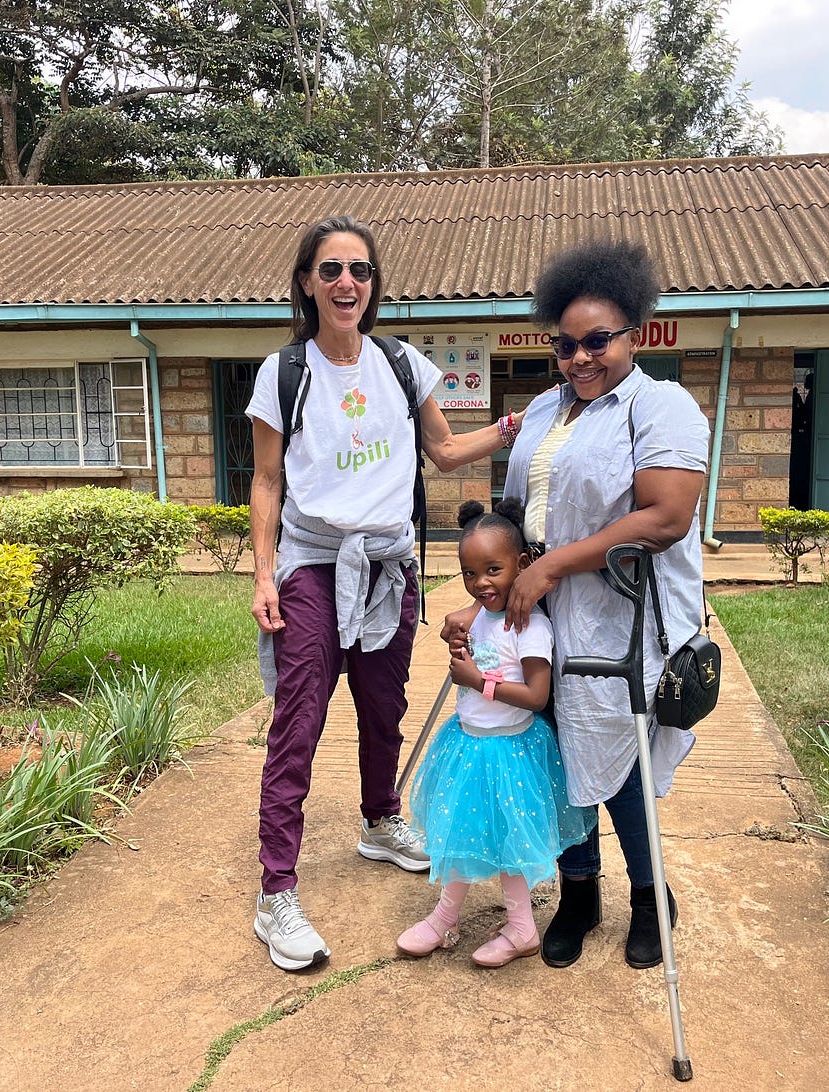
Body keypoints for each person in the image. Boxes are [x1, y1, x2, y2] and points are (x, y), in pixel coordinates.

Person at [245, 214, 529, 972]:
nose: (347, 283)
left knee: (384, 708)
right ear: (308, 281)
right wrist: (263, 572)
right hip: (312, 564)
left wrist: (509, 427)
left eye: (361, 271)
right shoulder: (284, 372)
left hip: (388, 567)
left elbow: (441, 450)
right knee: (298, 721)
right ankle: (277, 893)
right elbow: (267, 480)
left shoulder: (402, 366)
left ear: (374, 285)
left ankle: (379, 819)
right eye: (332, 269)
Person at [444, 238, 709, 970]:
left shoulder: (663, 408)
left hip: (624, 622)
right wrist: (487, 597)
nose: (581, 358)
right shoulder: (542, 410)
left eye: (598, 341)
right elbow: (510, 517)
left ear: (638, 334)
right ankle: (581, 894)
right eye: (565, 345)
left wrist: (553, 565)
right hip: (541, 621)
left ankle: (652, 896)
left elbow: (665, 517)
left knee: (617, 763)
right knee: (557, 758)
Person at [398, 499, 593, 968]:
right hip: (467, 745)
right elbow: (479, 647)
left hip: (511, 752)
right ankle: (446, 916)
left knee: (511, 843)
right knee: (461, 833)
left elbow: (536, 696)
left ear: (522, 566)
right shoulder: (480, 617)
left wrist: (477, 681)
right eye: (469, 573)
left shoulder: (531, 627)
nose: (480, 583)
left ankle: (522, 927)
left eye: (493, 569)